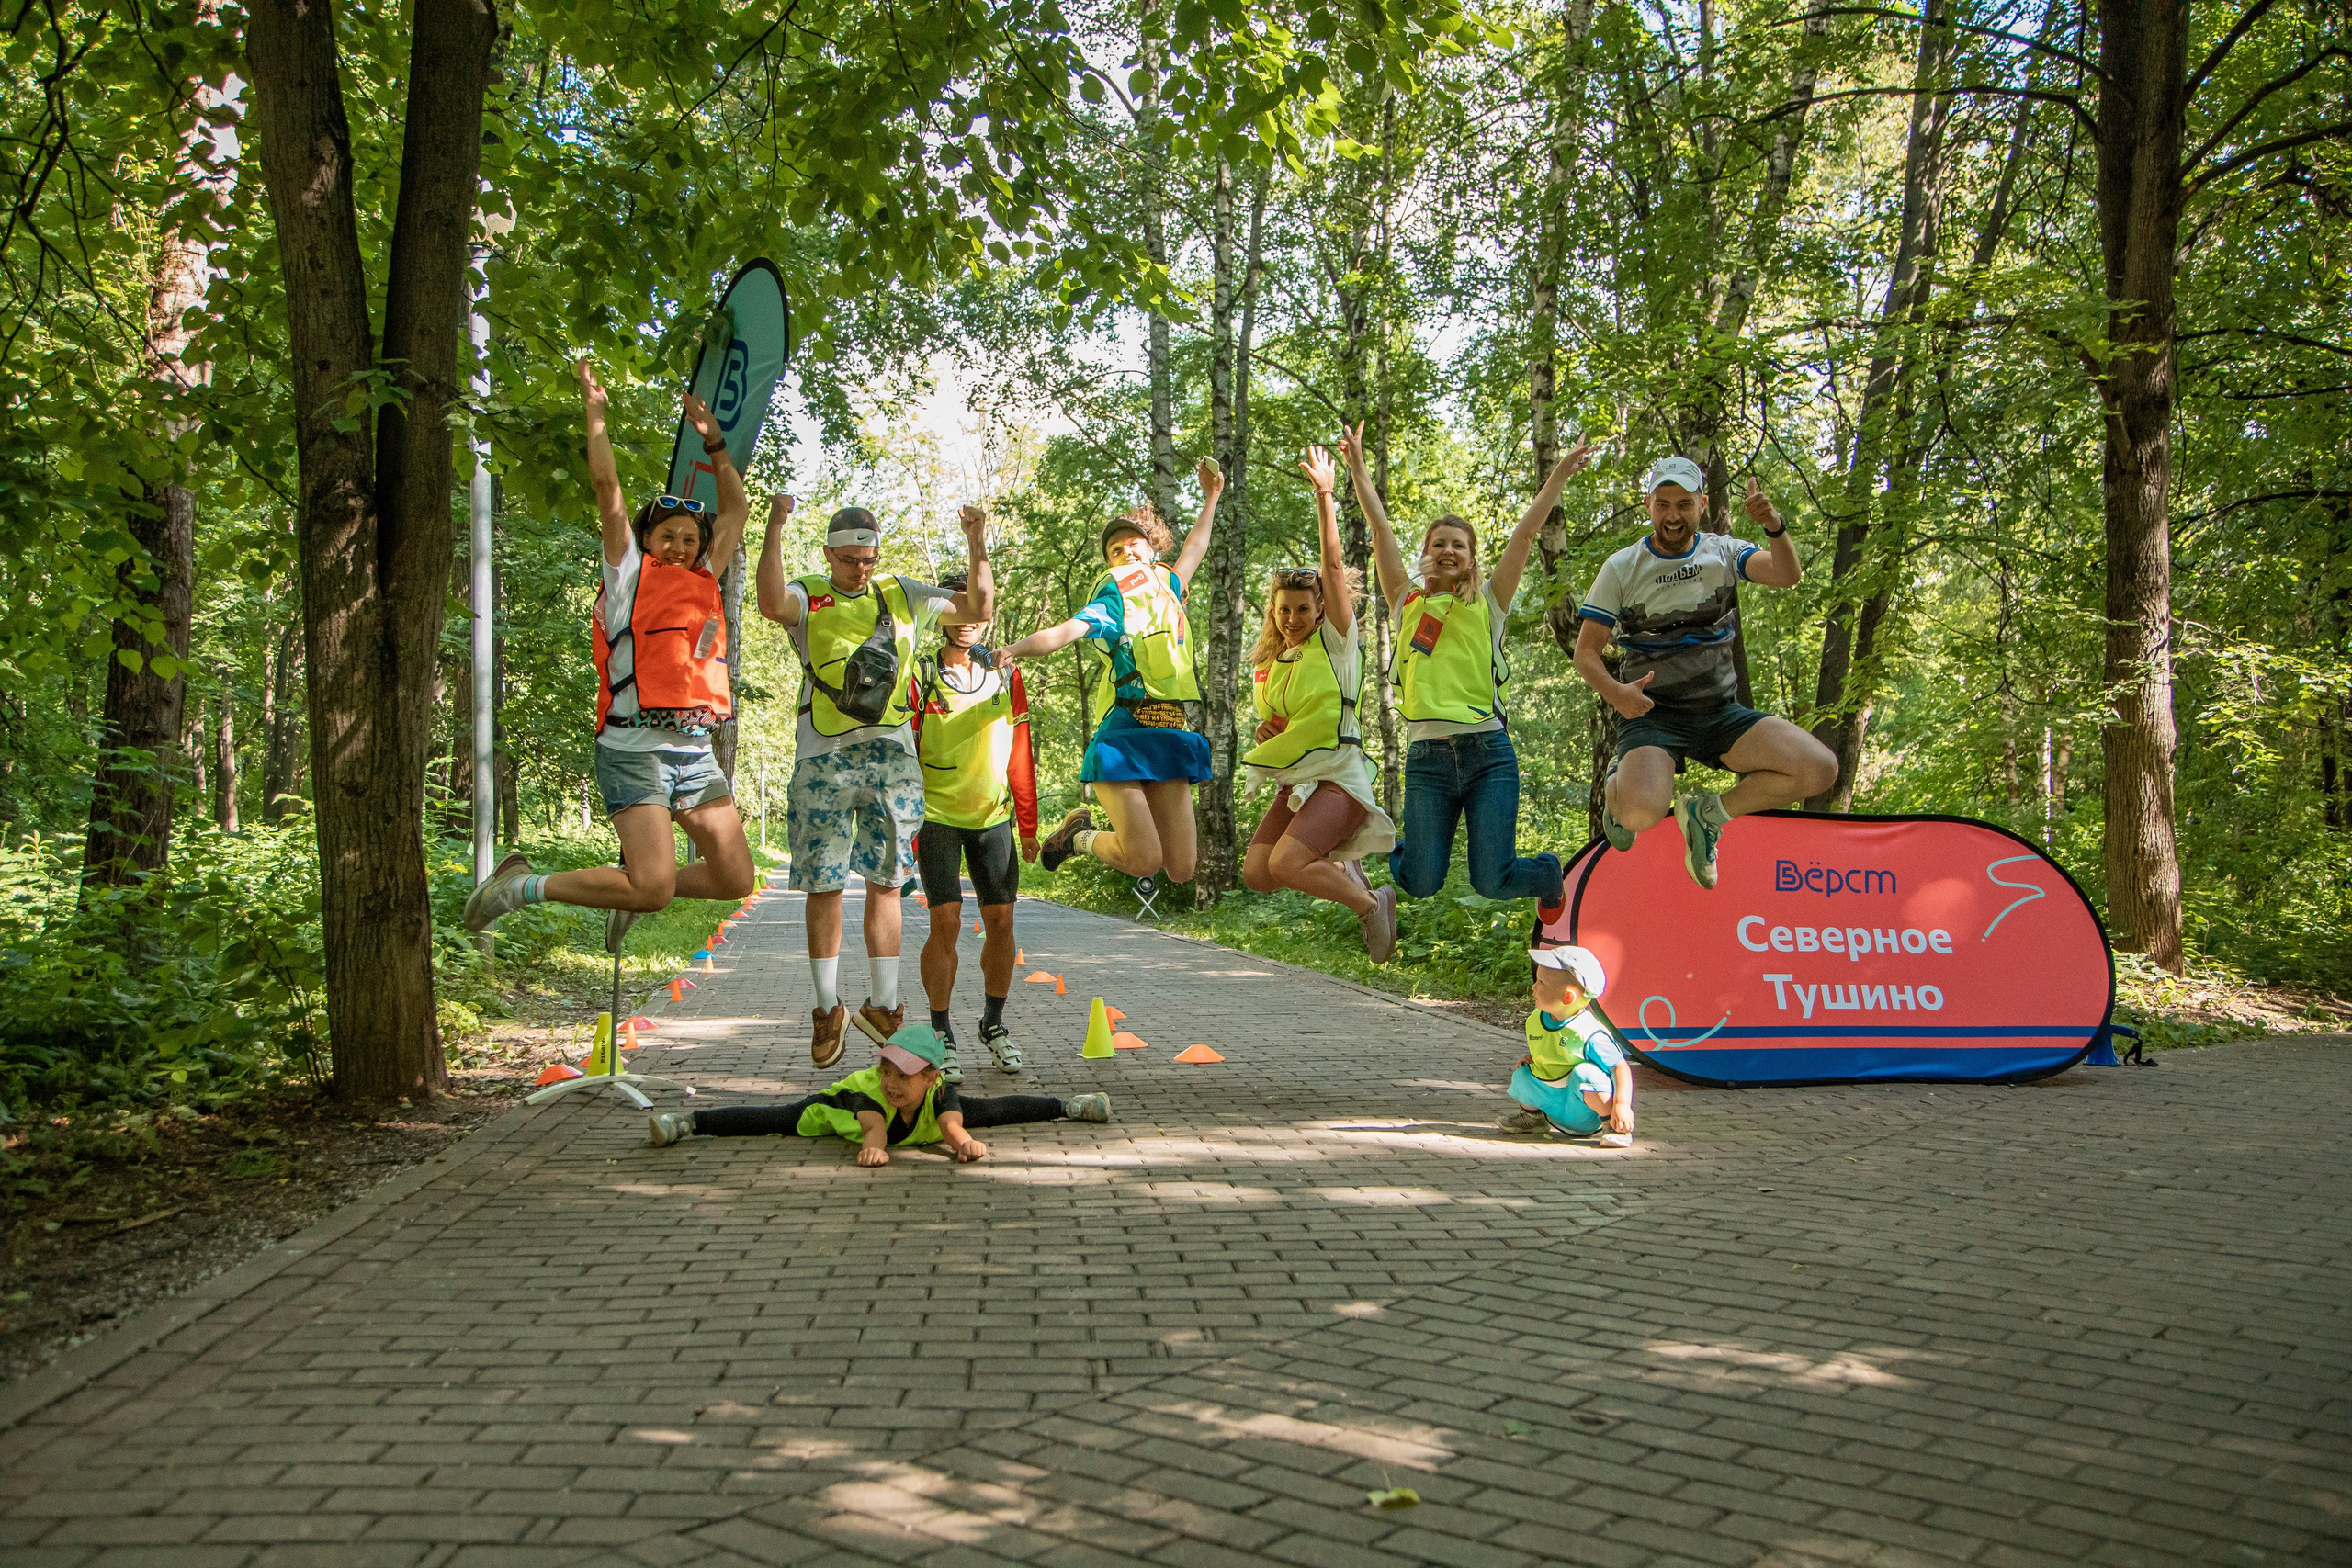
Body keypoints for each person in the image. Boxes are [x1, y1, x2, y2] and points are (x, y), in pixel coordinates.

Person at [464, 358, 757, 939]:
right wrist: (595, 415)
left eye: (689, 539)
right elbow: (607, 489)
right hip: (634, 748)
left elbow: (737, 511)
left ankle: (632, 882)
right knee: (654, 890)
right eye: (666, 536)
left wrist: (717, 444)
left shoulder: (706, 578)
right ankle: (521, 885)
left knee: (735, 880)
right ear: (647, 541)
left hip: (694, 751)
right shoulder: (628, 574)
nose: (678, 546)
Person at [755, 497, 993, 1068]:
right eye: (848, 559)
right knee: (824, 884)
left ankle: (883, 1005)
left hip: (892, 752)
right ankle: (825, 1006)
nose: (859, 569)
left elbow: (977, 604)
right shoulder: (809, 593)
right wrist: (775, 526)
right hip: (823, 755)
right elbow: (769, 604)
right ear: (829, 554)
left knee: (887, 882)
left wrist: (977, 537)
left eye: (868, 558)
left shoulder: (901, 592)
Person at [1341, 424, 1595, 917]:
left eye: (1459, 544)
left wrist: (1560, 472)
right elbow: (1380, 530)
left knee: (1493, 880)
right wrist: (1356, 467)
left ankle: (1548, 874)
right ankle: (1364, 864)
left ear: (1472, 556)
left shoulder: (1488, 603)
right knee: (1419, 880)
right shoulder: (1405, 601)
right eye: (1439, 543)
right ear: (1426, 552)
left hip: (1488, 756)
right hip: (1428, 759)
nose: (1449, 551)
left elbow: (1525, 532)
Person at [1574, 457, 1838, 888]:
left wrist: (1774, 525)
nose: (1673, 515)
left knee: (1818, 769)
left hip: (1720, 712)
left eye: (1683, 504)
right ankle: (1618, 784)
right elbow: (1586, 653)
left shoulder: (1725, 551)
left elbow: (1787, 575)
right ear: (1648, 505)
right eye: (1663, 504)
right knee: (1639, 814)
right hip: (1652, 716)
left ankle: (1706, 815)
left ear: (1702, 504)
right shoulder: (1621, 567)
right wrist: (1618, 693)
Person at [998, 458, 1224, 886]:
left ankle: (1080, 833)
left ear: (1153, 549)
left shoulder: (1168, 585)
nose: (1125, 553)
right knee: (1143, 861)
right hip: (1124, 731)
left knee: (1180, 870)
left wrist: (1211, 496)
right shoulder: (1116, 595)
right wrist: (1016, 648)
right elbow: (1067, 630)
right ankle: (1079, 835)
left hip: (1170, 728)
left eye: (1133, 544)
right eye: (1115, 550)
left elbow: (1195, 548)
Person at [1240, 445, 1399, 960]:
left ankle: (1370, 903)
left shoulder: (1335, 642)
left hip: (1340, 780)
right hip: (1300, 785)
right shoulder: (1273, 662)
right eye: (1283, 609)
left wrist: (1326, 495)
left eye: (1303, 609)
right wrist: (1268, 734)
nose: (1292, 618)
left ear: (1321, 609)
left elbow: (1333, 565)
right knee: (1259, 873)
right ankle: (1342, 867)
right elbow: (1282, 726)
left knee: (1287, 865)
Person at [643, 1022, 1112, 1165]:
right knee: (775, 1119)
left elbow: (952, 1126)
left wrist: (963, 1145)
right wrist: (873, 1153)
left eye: (904, 1075)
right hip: (838, 1113)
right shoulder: (870, 1094)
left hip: (921, 1119)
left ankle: (1069, 1106)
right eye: (886, 1069)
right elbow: (873, 1132)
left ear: (931, 1078)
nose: (892, 1082)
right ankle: (688, 1123)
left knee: (991, 1111)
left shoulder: (939, 1091)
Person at [910, 571, 1039, 1082]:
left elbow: (1021, 751)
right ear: (942, 613)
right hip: (935, 815)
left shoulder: (1006, 674)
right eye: (955, 608)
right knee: (946, 923)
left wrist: (1027, 823)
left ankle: (993, 1023)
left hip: (994, 817)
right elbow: (906, 747)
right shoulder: (920, 672)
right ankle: (941, 1031)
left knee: (1002, 923)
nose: (967, 620)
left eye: (976, 611)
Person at [1496, 944, 1634, 1148]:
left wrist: (1622, 1106)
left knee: (1585, 1072)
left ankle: (1614, 1126)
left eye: (1541, 983)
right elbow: (1556, 1049)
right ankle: (1532, 1119)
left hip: (1582, 1109)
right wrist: (1534, 1057)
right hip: (1555, 1102)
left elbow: (1619, 1067)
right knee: (1523, 1074)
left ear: (1567, 997)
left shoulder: (1588, 1031)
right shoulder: (1537, 1019)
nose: (1534, 987)